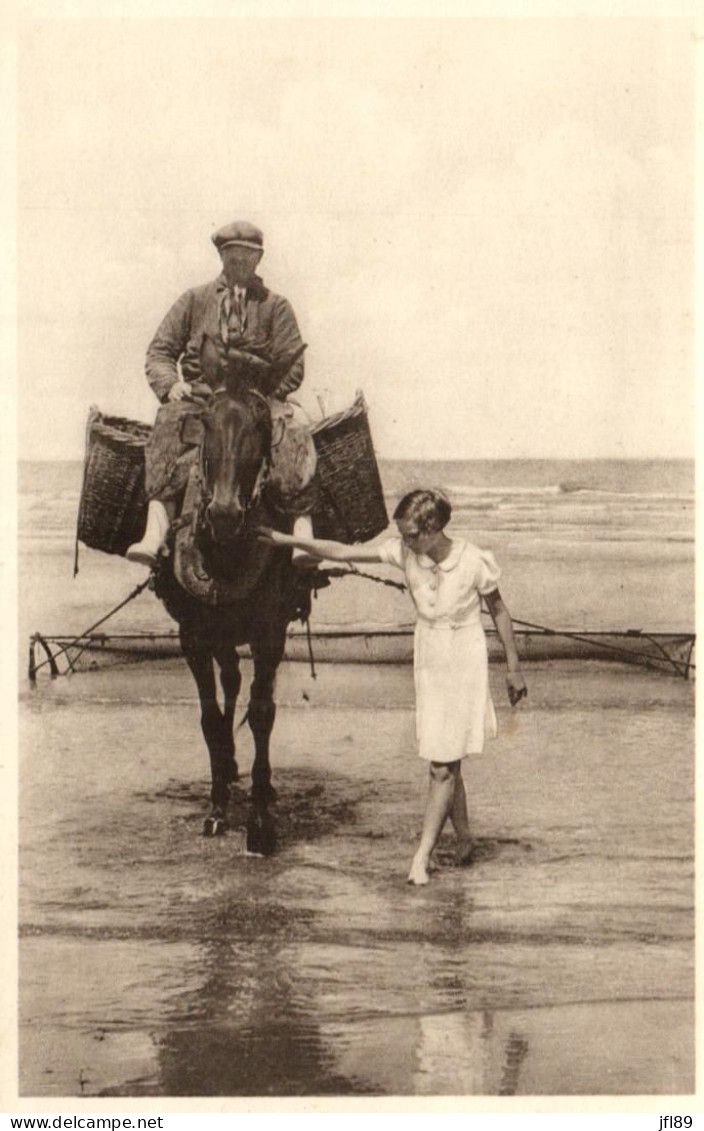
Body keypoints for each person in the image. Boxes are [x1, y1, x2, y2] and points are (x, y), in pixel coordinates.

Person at [258, 488, 527, 885]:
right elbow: (343, 552)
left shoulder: (473, 561)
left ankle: (421, 856)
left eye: (411, 535)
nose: (404, 542)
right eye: (401, 535)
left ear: (433, 528)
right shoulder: (404, 552)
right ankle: (466, 839)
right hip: (430, 655)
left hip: (464, 657)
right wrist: (289, 540)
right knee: (445, 756)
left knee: (442, 765)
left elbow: (500, 612)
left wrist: (513, 668)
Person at [127, 220, 308, 566]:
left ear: (259, 260)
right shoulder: (194, 300)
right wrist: (171, 385)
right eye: (232, 257)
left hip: (258, 402)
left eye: (248, 258)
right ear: (221, 258)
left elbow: (294, 366)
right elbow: (159, 352)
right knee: (167, 422)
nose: (240, 264)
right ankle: (156, 528)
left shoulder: (276, 307)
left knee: (295, 429)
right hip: (202, 398)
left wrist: (269, 396)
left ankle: (303, 531)